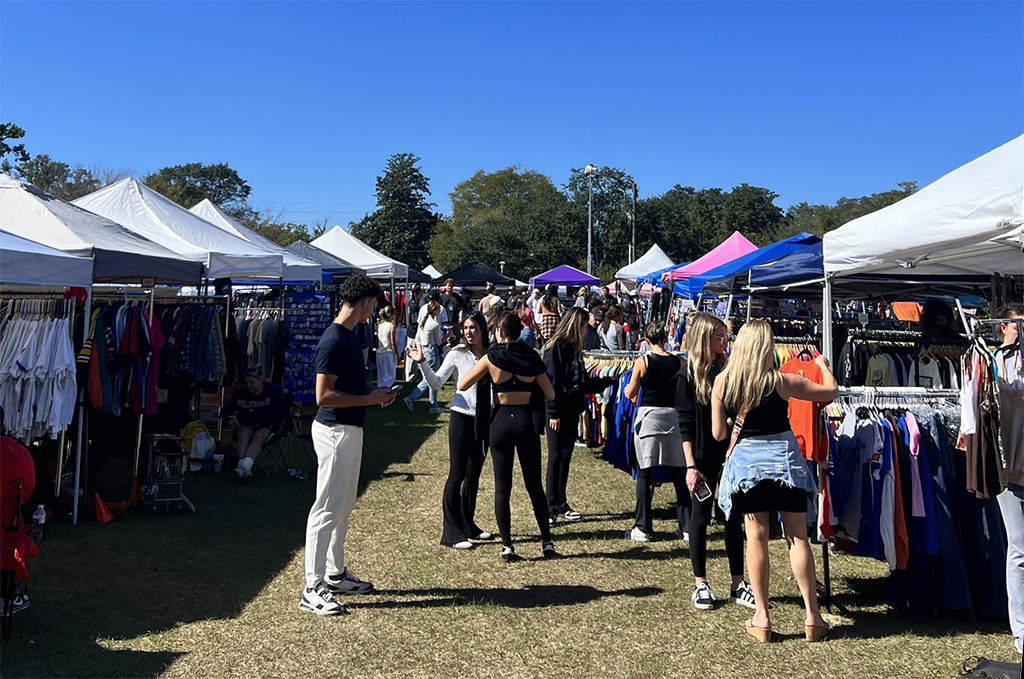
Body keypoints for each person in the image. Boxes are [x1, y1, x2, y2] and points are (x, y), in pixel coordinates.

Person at [711, 320, 837, 642]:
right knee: (797, 538)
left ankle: (762, 616)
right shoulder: (781, 381)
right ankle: (813, 616)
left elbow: (719, 434)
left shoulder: (724, 383)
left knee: (756, 537)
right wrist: (822, 365)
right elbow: (831, 392)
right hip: (785, 463)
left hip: (748, 468)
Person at [301, 274, 397, 616]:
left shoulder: (348, 336)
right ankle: (312, 587)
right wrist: (370, 399)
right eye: (373, 305)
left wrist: (373, 398)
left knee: (341, 508)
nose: (373, 313)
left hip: (348, 429)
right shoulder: (334, 340)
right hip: (335, 431)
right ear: (365, 303)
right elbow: (323, 396)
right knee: (326, 509)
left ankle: (335, 573)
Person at [459, 311, 558, 562]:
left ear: (500, 332)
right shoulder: (532, 358)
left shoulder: (492, 357)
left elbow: (462, 385)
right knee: (534, 484)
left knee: (503, 487)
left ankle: (507, 546)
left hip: (500, 423)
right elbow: (550, 394)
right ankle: (546, 542)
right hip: (525, 422)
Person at [677, 313, 753, 611]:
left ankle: (737, 582)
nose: (724, 342)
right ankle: (701, 582)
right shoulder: (687, 375)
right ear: (704, 338)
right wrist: (690, 465)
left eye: (725, 337)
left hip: (730, 451)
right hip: (701, 454)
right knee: (699, 516)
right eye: (719, 337)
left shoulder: (728, 370)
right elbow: (683, 423)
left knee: (733, 516)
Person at [408, 311, 494, 550]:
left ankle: (468, 525)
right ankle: (452, 533)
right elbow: (436, 383)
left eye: (473, 327)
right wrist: (422, 362)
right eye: (466, 327)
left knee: (474, 474)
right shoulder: (457, 354)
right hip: (461, 418)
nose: (468, 332)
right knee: (457, 475)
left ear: (483, 329)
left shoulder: (492, 354)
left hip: (484, 419)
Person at [544, 308, 614, 524]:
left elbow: (581, 383)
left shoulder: (575, 350)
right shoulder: (556, 348)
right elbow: (550, 382)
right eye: (585, 326)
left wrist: (609, 380)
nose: (587, 331)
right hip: (557, 411)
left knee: (566, 455)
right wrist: (553, 412)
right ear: (577, 324)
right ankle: (550, 507)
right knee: (555, 456)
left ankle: (561, 501)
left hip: (572, 408)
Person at [621, 322, 688, 542]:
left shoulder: (644, 361)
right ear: (665, 339)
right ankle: (686, 527)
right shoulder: (679, 361)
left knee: (644, 473)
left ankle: (643, 527)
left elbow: (631, 390)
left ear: (647, 341)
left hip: (650, 418)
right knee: (680, 474)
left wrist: (625, 390)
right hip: (674, 417)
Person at [995, 304, 1024, 654]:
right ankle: (1020, 630)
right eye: (1019, 325)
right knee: (1018, 547)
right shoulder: (991, 363)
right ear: (1003, 326)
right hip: (1009, 465)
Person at [221, 366, 290, 480]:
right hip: (247, 424)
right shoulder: (241, 393)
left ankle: (244, 467)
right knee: (243, 434)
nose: (249, 385)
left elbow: (282, 413)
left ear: (261, 380)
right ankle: (244, 469)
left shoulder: (273, 391)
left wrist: (275, 430)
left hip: (267, 425)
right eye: (247, 382)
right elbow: (226, 409)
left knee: (258, 435)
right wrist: (230, 418)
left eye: (252, 382)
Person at [405, 301, 446, 415]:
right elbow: (438, 342)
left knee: (428, 377)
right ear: (435, 311)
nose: (440, 311)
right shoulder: (434, 324)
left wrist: (420, 351)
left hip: (424, 349)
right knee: (431, 379)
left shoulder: (423, 322)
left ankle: (432, 404)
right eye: (438, 309)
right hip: (432, 351)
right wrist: (447, 335)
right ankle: (415, 399)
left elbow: (418, 338)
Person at [375, 306, 398, 388]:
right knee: (390, 377)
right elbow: (392, 341)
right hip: (388, 352)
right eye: (394, 314)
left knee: (381, 377)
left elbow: (377, 340)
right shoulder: (391, 326)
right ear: (390, 314)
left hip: (379, 352)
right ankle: (385, 395)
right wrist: (397, 354)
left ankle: (380, 396)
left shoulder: (380, 325)